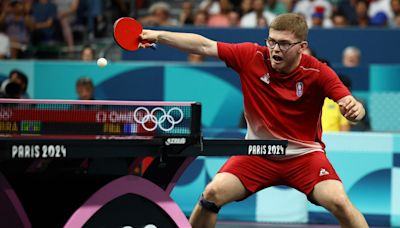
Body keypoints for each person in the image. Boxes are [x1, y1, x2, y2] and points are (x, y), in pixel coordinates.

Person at [140, 13, 369, 228]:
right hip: (257, 152)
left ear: (302, 47)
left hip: (304, 156)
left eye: (284, 44)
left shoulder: (319, 72)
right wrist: (157, 35)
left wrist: (354, 110)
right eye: (272, 41)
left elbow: (353, 105)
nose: (275, 49)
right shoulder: (251, 56)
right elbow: (204, 45)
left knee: (339, 201)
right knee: (212, 194)